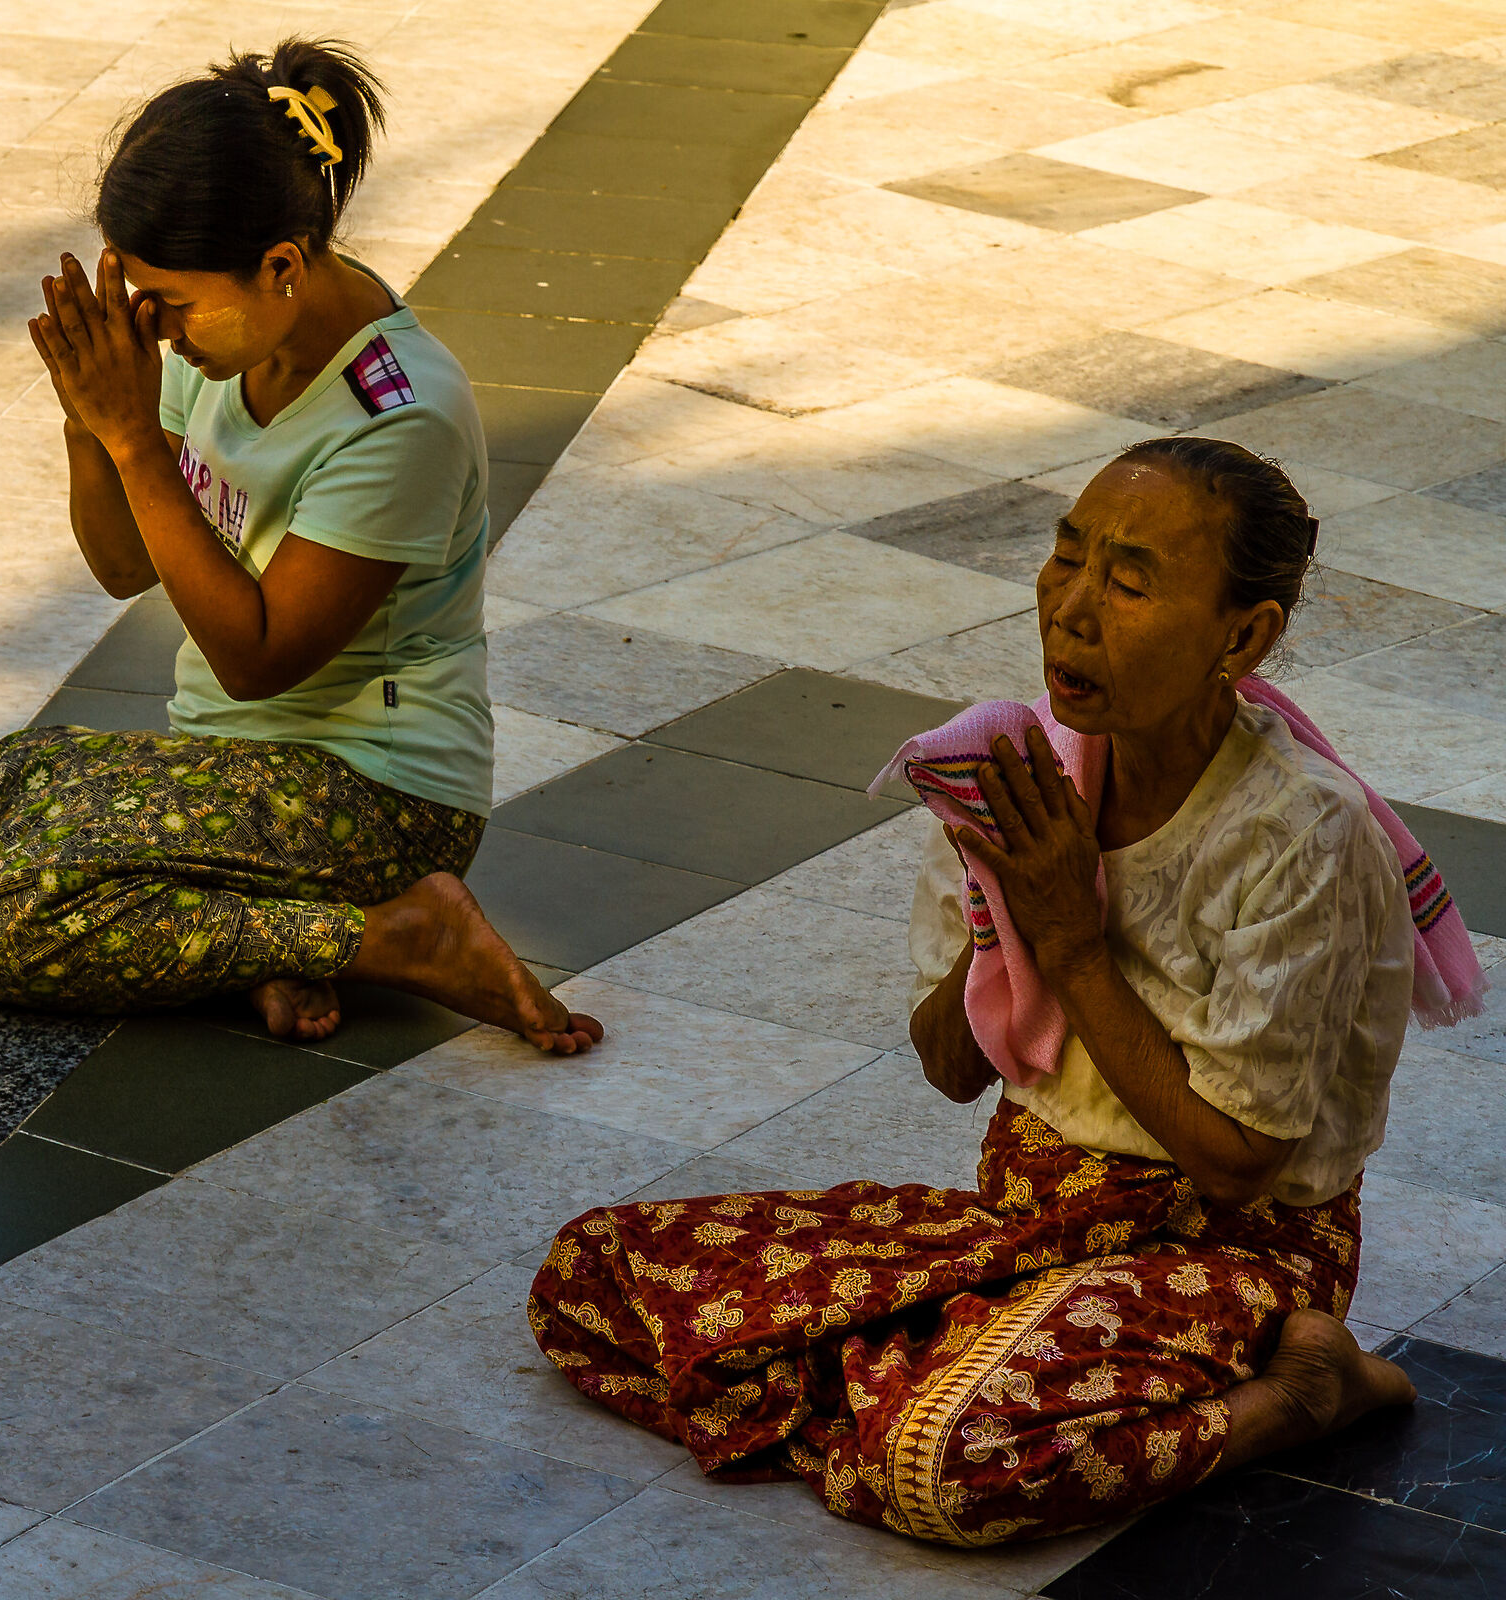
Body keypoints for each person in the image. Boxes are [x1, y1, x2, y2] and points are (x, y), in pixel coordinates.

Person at [527, 438, 1453, 1547]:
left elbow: (1240, 1159)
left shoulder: (1298, 831)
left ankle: (1299, 1393)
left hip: (1224, 1249)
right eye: (1066, 558)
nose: (1070, 607)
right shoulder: (1017, 773)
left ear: (1241, 636)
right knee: (592, 1276)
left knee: (953, 1467)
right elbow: (954, 1068)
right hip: (1027, 1221)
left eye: (1129, 581)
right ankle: (924, 1376)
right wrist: (996, 900)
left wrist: (1069, 941)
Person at [0, 39, 601, 1054]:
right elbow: (123, 566)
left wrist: (133, 440)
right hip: (225, 772)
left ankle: (395, 933)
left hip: (375, 798)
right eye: (141, 299)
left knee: (2, 913)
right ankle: (266, 947)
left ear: (283, 265)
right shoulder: (225, 332)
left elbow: (254, 660)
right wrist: (88, 419)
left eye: (174, 302)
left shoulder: (398, 414)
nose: (155, 331)